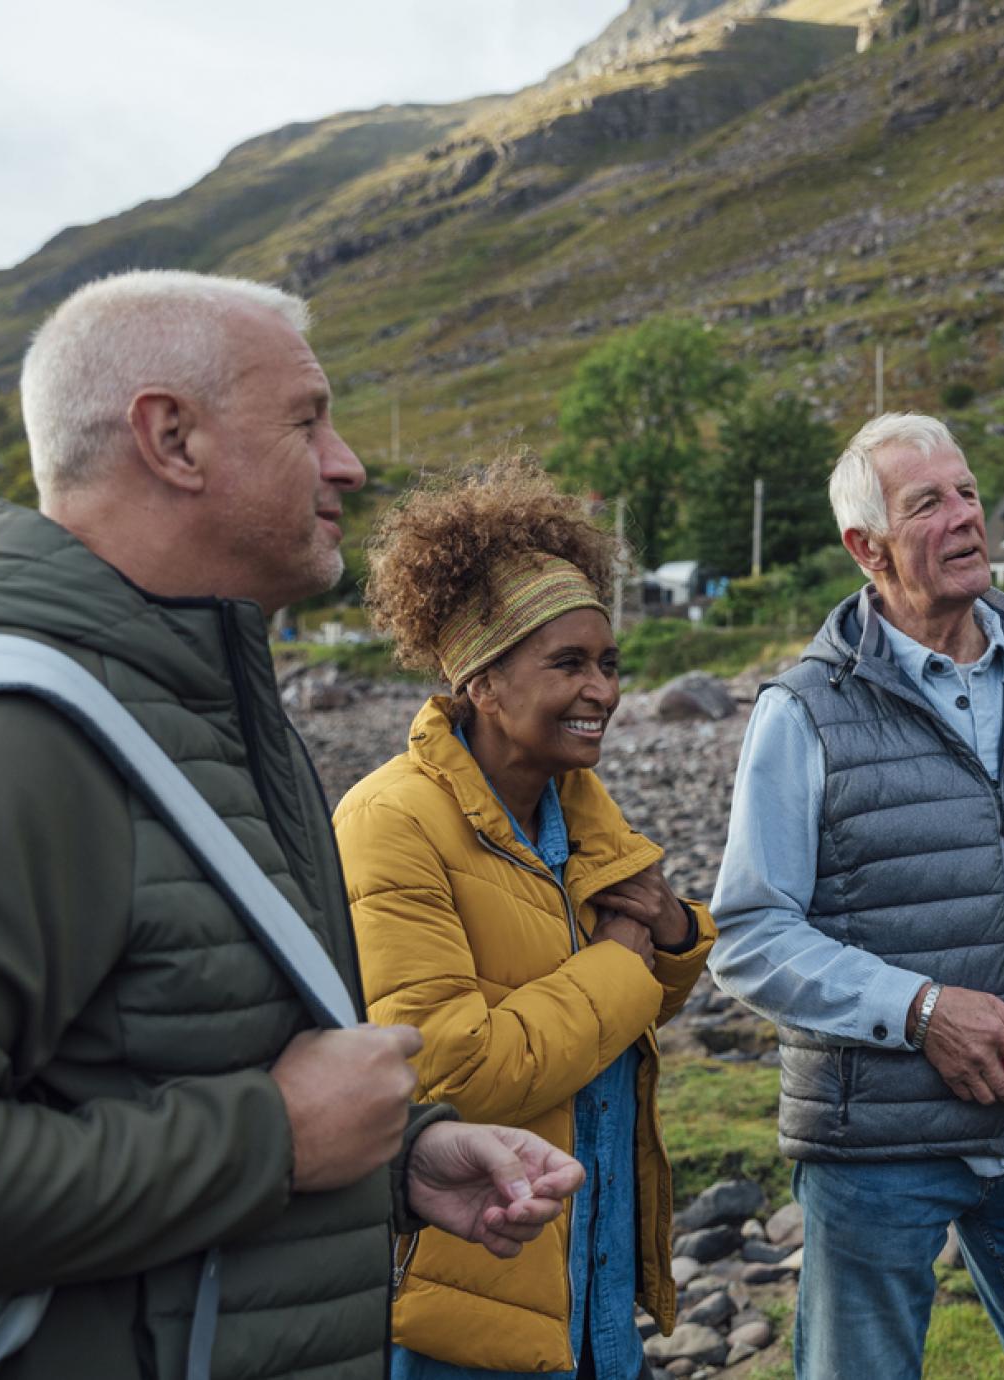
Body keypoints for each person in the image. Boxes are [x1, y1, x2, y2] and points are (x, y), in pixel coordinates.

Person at [0, 270, 582, 1379]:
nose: (349, 464)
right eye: (307, 420)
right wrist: (273, 1144)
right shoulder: (0, 739)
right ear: (171, 438)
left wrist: (400, 1159)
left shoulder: (218, 700)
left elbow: (192, 1055)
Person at [708, 413, 1004, 1379]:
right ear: (865, 548)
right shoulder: (803, 711)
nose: (964, 518)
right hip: (875, 1147)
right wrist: (920, 1012)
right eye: (929, 504)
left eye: (969, 494)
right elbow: (748, 934)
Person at [336, 456, 714, 1379]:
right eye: (569, 664)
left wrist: (671, 936)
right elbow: (453, 1070)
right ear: (483, 683)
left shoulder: (581, 806)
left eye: (611, 663)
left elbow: (609, 1022)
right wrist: (630, 956)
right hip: (472, 1297)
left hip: (590, 1275)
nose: (605, 691)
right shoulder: (390, 822)